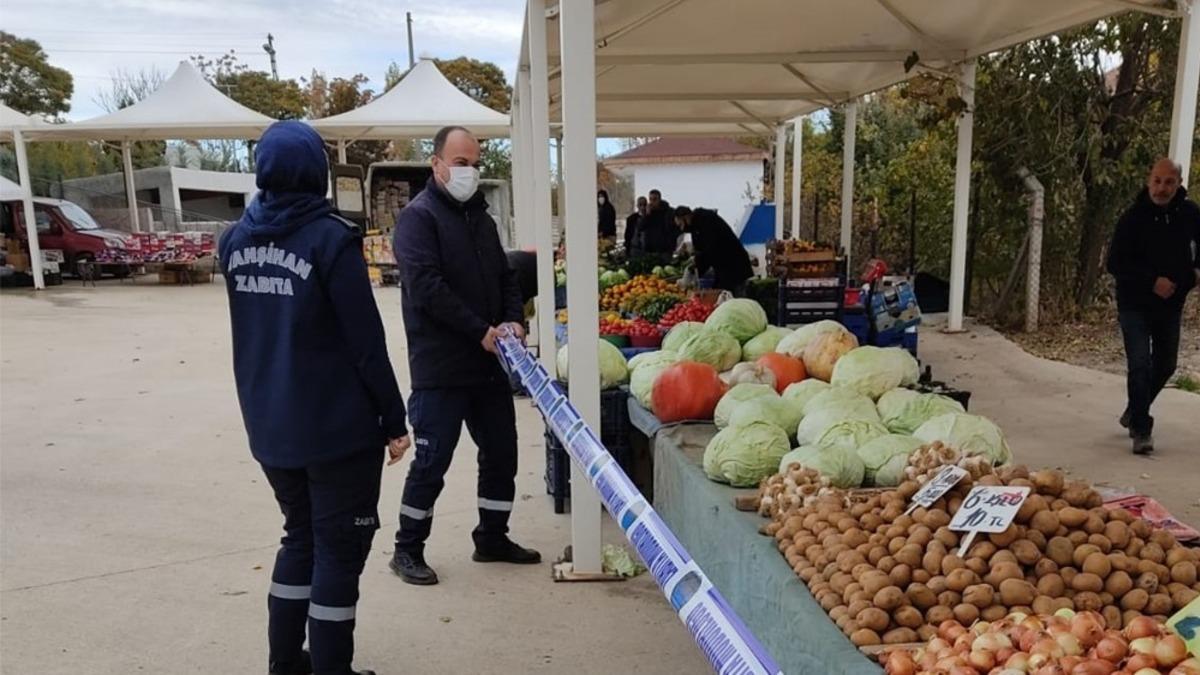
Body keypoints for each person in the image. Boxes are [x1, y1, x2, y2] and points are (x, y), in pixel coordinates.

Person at [219, 121, 410, 675]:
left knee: (299, 537)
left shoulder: (234, 241)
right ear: (317, 173)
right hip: (336, 432)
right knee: (338, 553)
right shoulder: (329, 240)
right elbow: (366, 342)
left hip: (271, 426)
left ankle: (285, 664)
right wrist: (393, 418)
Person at [390, 126, 541, 586]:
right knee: (432, 461)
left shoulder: (483, 219)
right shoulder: (418, 220)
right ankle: (407, 549)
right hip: (441, 367)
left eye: (475, 163)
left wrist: (515, 320)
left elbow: (507, 276)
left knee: (501, 453)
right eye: (460, 163)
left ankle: (492, 536)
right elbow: (427, 288)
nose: (469, 172)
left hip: (490, 364)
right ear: (436, 165)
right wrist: (480, 330)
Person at [1105, 158, 1200, 455]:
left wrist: (1194, 274)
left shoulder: (1191, 214)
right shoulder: (1133, 218)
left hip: (1170, 305)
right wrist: (1151, 281)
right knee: (1140, 364)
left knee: (1166, 364)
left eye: (1169, 182)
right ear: (1149, 181)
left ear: (1178, 184)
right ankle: (1141, 430)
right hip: (1134, 303)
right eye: (1157, 181)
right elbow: (1115, 263)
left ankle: (1135, 409)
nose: (1162, 188)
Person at [674, 205, 754, 295]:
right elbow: (700, 251)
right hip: (723, 268)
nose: (681, 229)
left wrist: (695, 268)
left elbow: (710, 250)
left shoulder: (706, 220)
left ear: (686, 217)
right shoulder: (696, 227)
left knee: (735, 297)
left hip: (734, 265)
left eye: (681, 225)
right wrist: (694, 269)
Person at [639, 189, 678, 256]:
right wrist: (646, 216)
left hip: (666, 249)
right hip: (650, 249)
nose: (652, 202)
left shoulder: (669, 212)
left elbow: (677, 227)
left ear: (659, 199)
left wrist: (671, 240)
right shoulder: (647, 213)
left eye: (654, 199)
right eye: (650, 199)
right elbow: (640, 227)